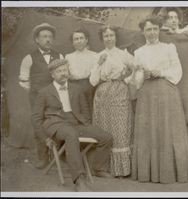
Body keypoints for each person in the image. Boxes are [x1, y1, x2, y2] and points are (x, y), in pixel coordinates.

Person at [32, 59, 113, 191]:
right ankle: (79, 179)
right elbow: (36, 118)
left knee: (106, 137)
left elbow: (85, 110)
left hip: (76, 122)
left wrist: (86, 124)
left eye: (65, 70)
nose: (63, 73)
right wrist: (45, 138)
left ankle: (99, 168)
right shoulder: (44, 92)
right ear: (52, 74)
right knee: (71, 134)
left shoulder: (77, 89)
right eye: (59, 71)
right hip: (56, 124)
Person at [131, 16, 188, 184]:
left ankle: (170, 172)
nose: (151, 33)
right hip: (146, 94)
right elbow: (136, 82)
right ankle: (148, 173)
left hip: (166, 92)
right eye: (148, 30)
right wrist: (141, 75)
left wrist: (161, 72)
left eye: (154, 29)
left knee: (167, 128)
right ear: (142, 32)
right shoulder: (138, 53)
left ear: (159, 30)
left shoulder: (169, 48)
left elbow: (177, 70)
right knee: (148, 130)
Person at [89, 25, 134, 178]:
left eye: (111, 35)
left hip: (120, 93)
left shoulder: (124, 54)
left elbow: (137, 70)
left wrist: (126, 79)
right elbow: (93, 81)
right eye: (106, 36)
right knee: (104, 128)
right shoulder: (98, 56)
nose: (109, 38)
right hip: (102, 95)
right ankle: (103, 168)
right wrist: (99, 64)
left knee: (121, 129)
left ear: (116, 37)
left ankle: (122, 169)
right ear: (102, 39)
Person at [19, 23, 64, 169]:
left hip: (56, 98)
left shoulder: (59, 56)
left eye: (50, 36)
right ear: (37, 39)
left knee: (58, 122)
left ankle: (60, 156)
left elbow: (63, 77)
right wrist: (37, 94)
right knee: (39, 125)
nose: (48, 39)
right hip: (37, 98)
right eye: (44, 36)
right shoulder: (29, 58)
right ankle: (43, 157)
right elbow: (23, 81)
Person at [65, 27, 97, 116]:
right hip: (74, 86)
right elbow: (66, 74)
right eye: (76, 39)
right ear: (72, 42)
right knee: (76, 112)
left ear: (86, 40)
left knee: (89, 111)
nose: (79, 41)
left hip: (90, 86)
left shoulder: (94, 55)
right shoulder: (68, 57)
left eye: (81, 38)